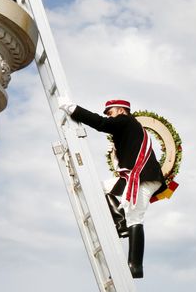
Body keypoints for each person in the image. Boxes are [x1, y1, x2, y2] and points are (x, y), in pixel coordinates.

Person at [58, 98, 165, 278]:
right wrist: (115, 154)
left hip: (143, 178)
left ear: (122, 111)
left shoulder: (125, 120)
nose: (108, 115)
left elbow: (101, 124)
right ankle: (121, 224)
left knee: (135, 216)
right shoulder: (128, 129)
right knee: (102, 188)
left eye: (111, 112)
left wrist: (73, 109)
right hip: (136, 176)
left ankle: (135, 266)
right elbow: (121, 166)